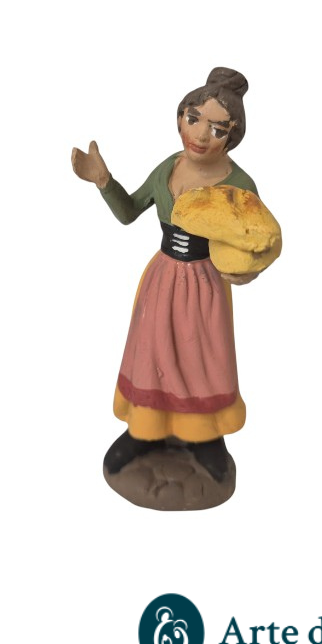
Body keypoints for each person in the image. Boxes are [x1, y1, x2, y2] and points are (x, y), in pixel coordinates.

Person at [71, 68, 261, 482]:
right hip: (161, 279)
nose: (201, 135)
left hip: (206, 285)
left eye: (217, 128)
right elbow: (128, 212)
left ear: (232, 136)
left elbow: (254, 238)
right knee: (152, 353)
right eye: (193, 118)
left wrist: (250, 269)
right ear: (180, 117)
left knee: (202, 359)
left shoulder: (239, 185)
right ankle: (144, 429)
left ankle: (205, 437)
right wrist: (103, 181)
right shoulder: (168, 168)